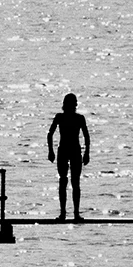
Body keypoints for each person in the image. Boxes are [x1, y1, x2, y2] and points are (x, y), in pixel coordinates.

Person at [45, 93, 90, 221]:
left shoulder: (79, 118)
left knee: (74, 182)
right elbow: (50, 134)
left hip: (74, 151)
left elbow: (86, 136)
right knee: (63, 181)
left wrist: (87, 153)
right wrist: (50, 151)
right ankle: (63, 213)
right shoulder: (60, 117)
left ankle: (75, 213)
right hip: (64, 151)